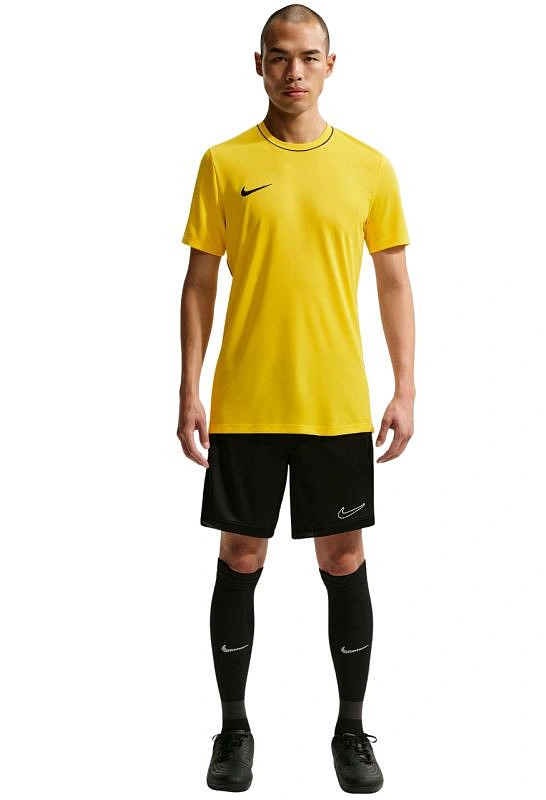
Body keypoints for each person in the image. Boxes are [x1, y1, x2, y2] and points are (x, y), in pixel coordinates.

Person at [177, 4, 415, 793]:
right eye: (279, 57)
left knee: (342, 558)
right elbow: (200, 282)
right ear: (259, 64)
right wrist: (188, 386)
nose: (294, 72)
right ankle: (233, 729)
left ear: (331, 64)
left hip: (335, 405)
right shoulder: (223, 162)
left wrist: (406, 386)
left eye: (309, 57)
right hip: (246, 401)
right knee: (240, 556)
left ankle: (351, 730)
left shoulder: (369, 167)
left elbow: (393, 280)